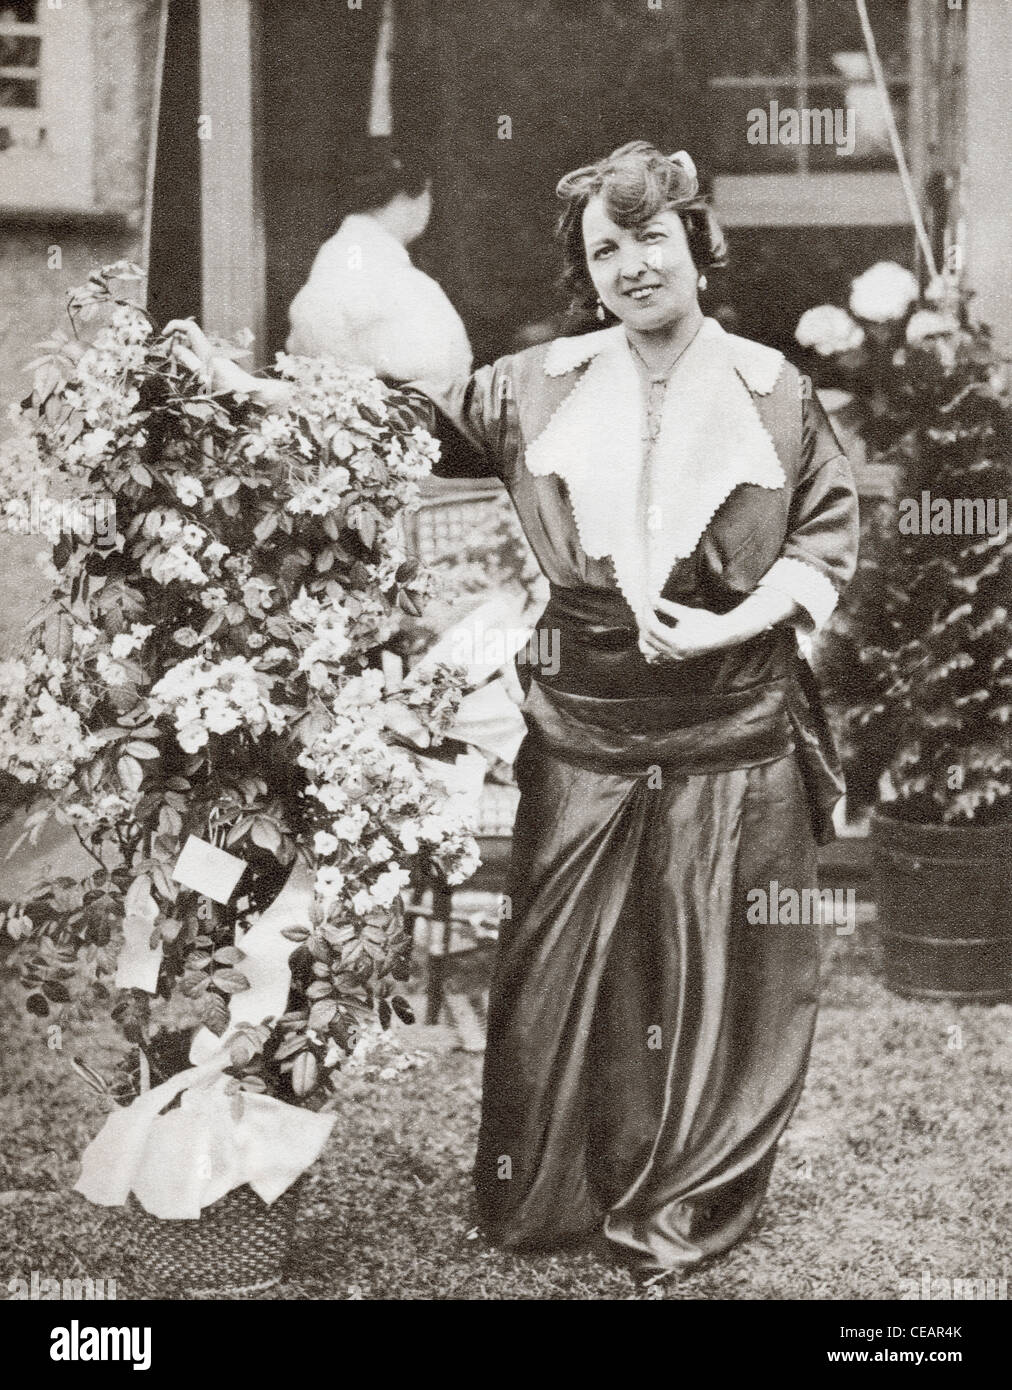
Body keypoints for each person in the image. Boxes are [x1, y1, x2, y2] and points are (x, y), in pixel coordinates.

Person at [167, 139, 859, 1283]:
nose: (631, 265)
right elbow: (388, 421)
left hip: (729, 734)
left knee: (710, 979)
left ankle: (681, 1187)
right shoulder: (533, 386)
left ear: (695, 242)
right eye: (604, 249)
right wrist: (244, 387)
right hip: (584, 729)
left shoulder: (773, 390)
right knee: (549, 978)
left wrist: (731, 625)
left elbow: (821, 543)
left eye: (649, 237)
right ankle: (555, 1182)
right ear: (584, 273)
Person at [285, 144, 473, 384]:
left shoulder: (333, 261)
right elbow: (447, 373)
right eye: (428, 194)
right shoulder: (402, 283)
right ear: (408, 197)